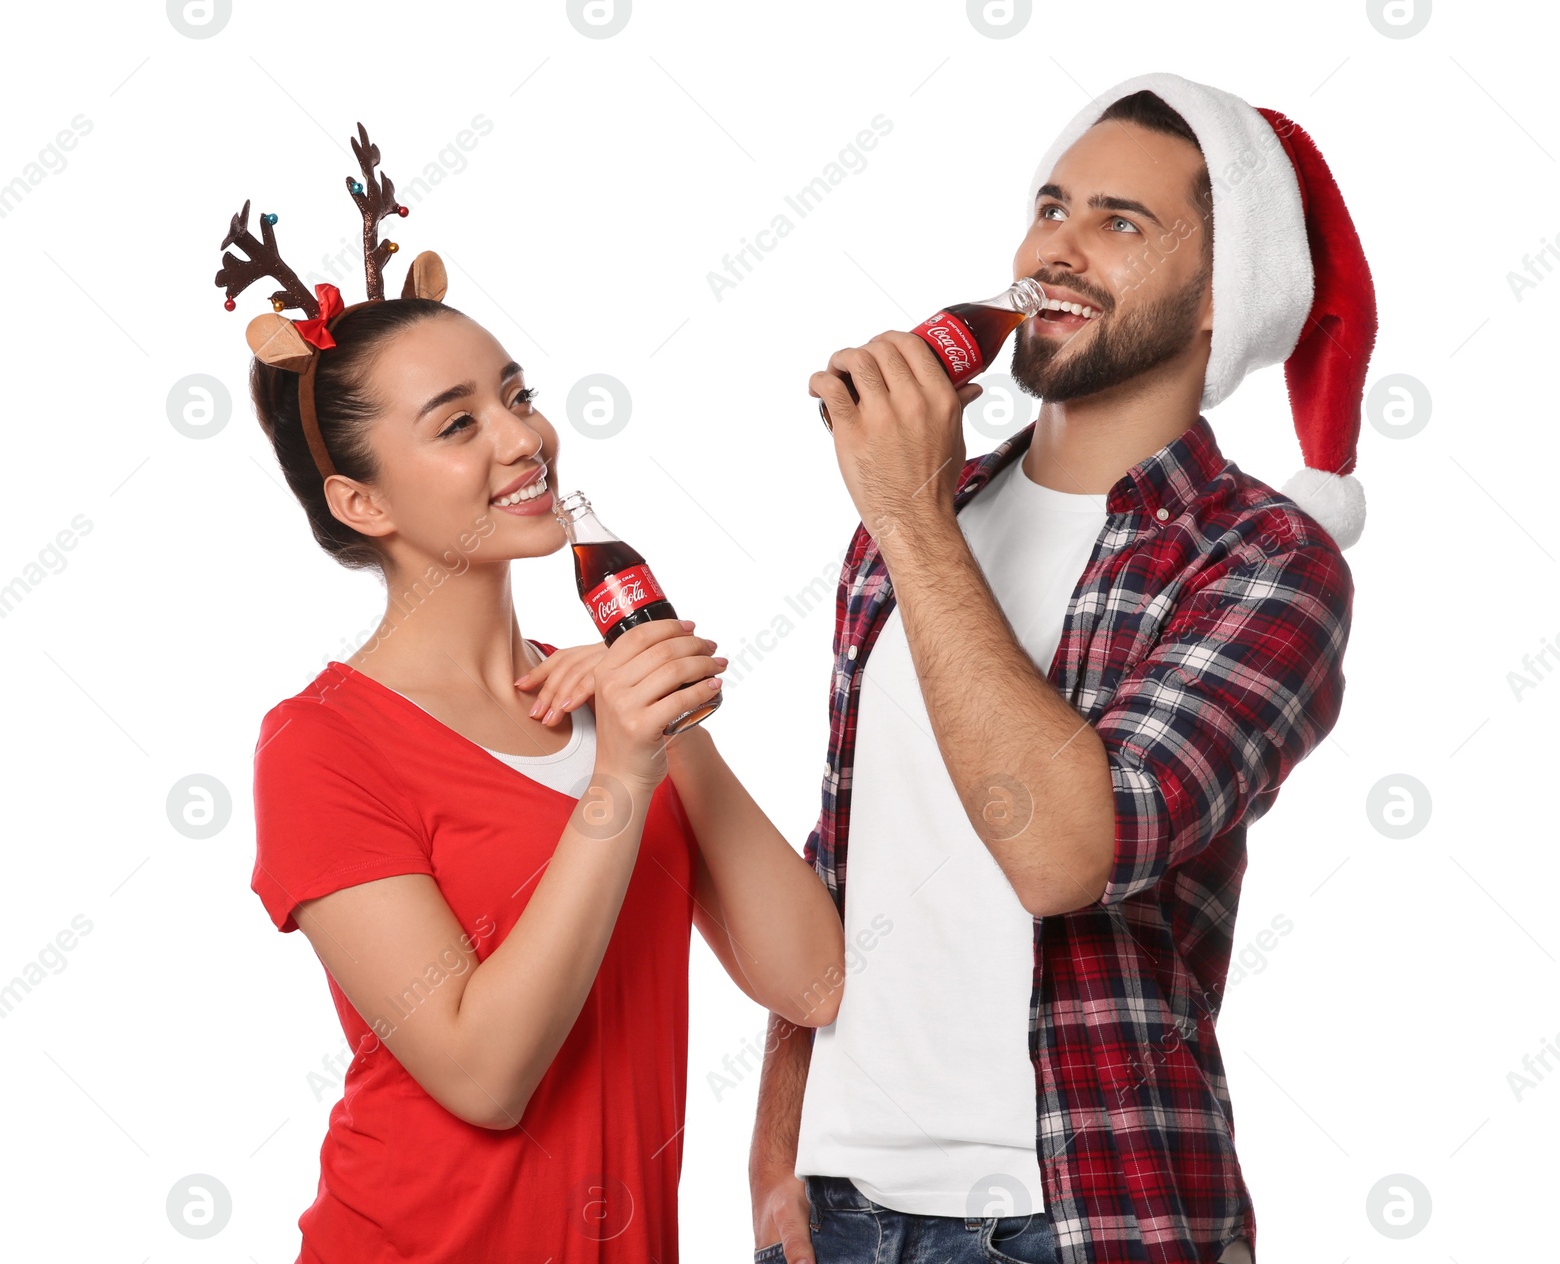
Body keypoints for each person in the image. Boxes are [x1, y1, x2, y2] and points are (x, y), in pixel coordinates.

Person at [747, 74, 1376, 1263]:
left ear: (1217, 296)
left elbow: (1062, 852)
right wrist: (780, 1148)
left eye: (1119, 223)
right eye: (1051, 206)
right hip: (836, 1214)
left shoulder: (1262, 561)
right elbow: (845, 860)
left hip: (1073, 1216)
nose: (1057, 250)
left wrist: (908, 516)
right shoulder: (929, 514)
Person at [244, 275, 846, 1259]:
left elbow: (813, 981)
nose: (523, 439)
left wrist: (660, 722)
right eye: (456, 424)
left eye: (516, 396)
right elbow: (483, 1073)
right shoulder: (320, 746)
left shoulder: (607, 700)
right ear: (361, 501)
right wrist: (619, 773)